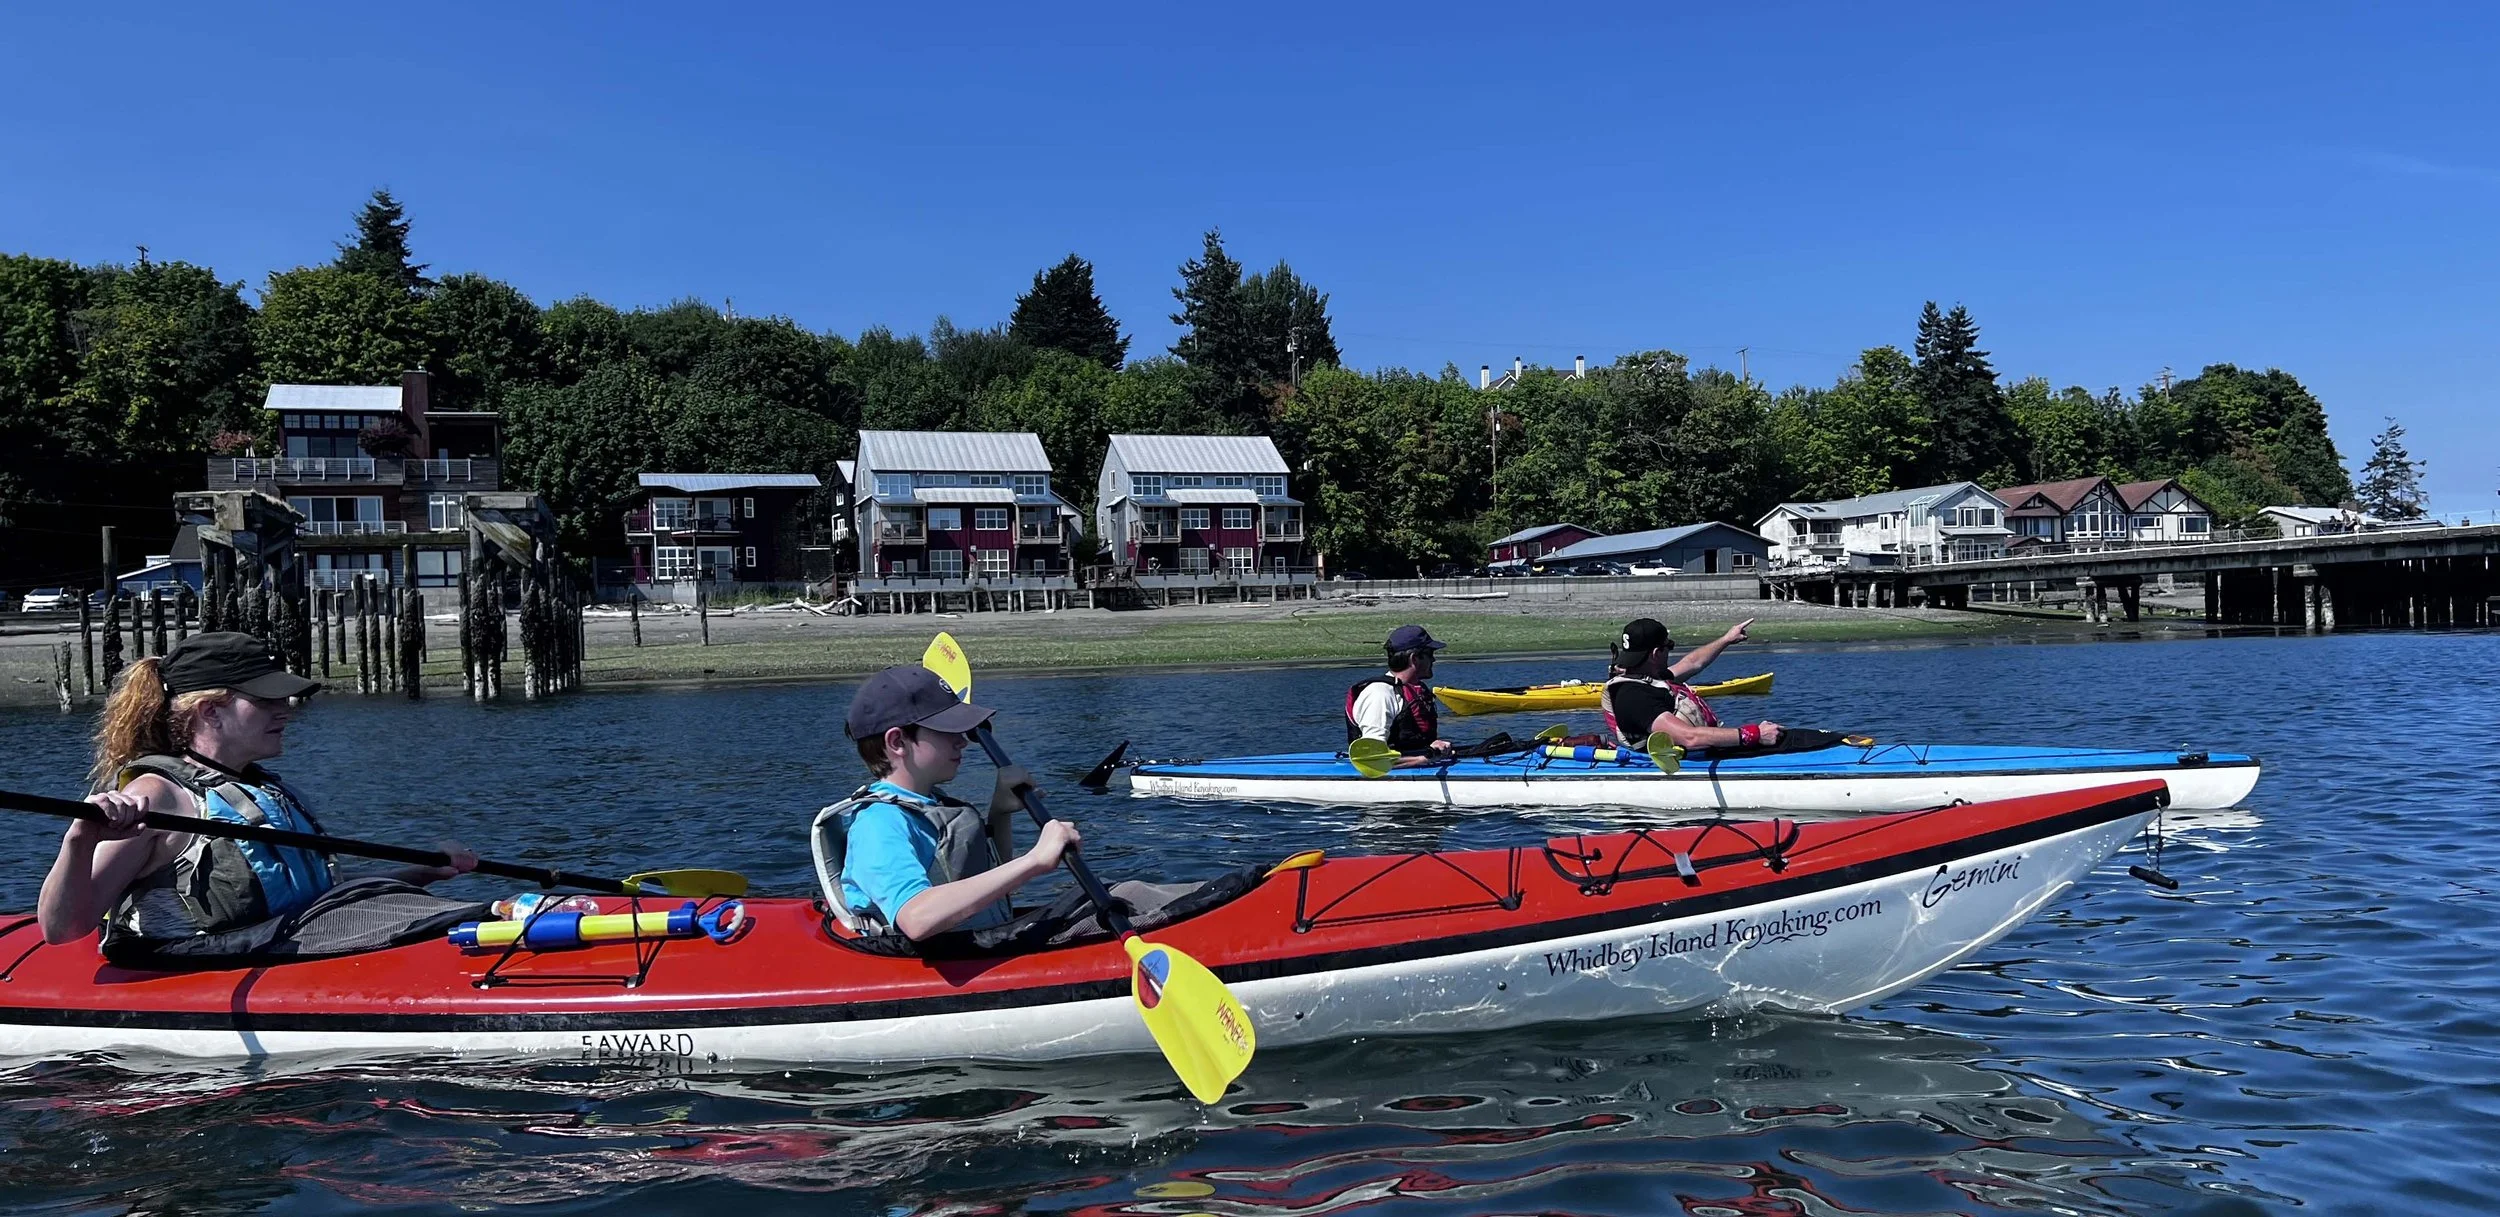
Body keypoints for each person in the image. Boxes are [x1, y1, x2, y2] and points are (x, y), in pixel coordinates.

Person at [37, 632, 478, 951]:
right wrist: (80, 839)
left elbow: (313, 904)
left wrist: (421, 872)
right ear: (210, 710)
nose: (285, 712)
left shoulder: (261, 787)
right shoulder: (159, 796)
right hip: (201, 966)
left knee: (421, 902)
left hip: (287, 944)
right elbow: (63, 928)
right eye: (266, 701)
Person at [818, 664, 1080, 942]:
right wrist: (1035, 861)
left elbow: (988, 884)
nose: (962, 742)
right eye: (946, 730)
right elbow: (916, 918)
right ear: (897, 741)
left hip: (973, 943)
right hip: (933, 963)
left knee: (1126, 896)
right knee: (1129, 897)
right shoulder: (879, 824)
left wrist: (1000, 812)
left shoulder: (931, 804)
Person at [1600, 617, 1784, 752]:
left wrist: (1726, 639)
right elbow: (1689, 737)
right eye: (1668, 646)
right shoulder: (1634, 697)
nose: (1669, 652)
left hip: (1702, 753)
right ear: (1656, 653)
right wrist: (1754, 734)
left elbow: (1692, 663)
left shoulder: (1651, 678)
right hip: (1682, 762)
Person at [1344, 624, 1454, 769]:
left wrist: (1431, 748)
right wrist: (1426, 757)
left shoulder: (1413, 691)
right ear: (1415, 659)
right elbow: (1370, 760)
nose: (1433, 660)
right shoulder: (1380, 694)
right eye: (1430, 654)